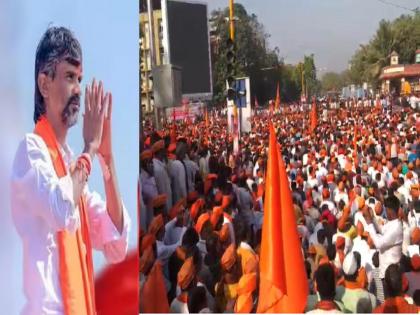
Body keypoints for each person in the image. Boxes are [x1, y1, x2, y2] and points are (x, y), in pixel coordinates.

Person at [10, 27, 130, 315]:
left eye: (79, 79)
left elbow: (116, 244)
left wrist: (106, 157)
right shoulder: (30, 152)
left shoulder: (75, 171)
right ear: (44, 84)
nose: (78, 89)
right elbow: (59, 207)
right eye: (68, 77)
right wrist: (89, 149)